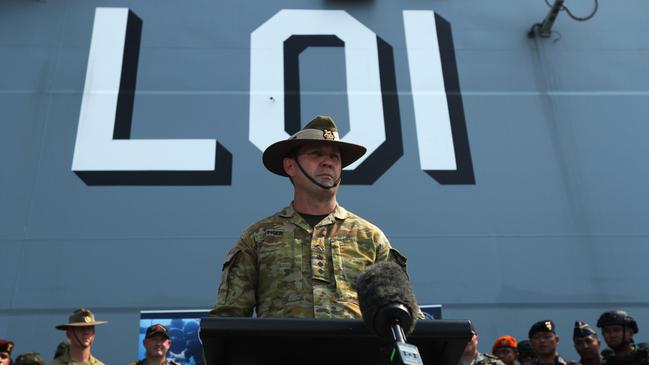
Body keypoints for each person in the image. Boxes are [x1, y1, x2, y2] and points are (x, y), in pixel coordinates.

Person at [209, 115, 411, 319]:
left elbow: (403, 317)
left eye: (335, 157)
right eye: (316, 154)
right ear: (290, 166)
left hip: (355, 351)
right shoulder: (258, 238)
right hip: (281, 351)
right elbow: (228, 318)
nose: (327, 162)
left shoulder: (370, 237)